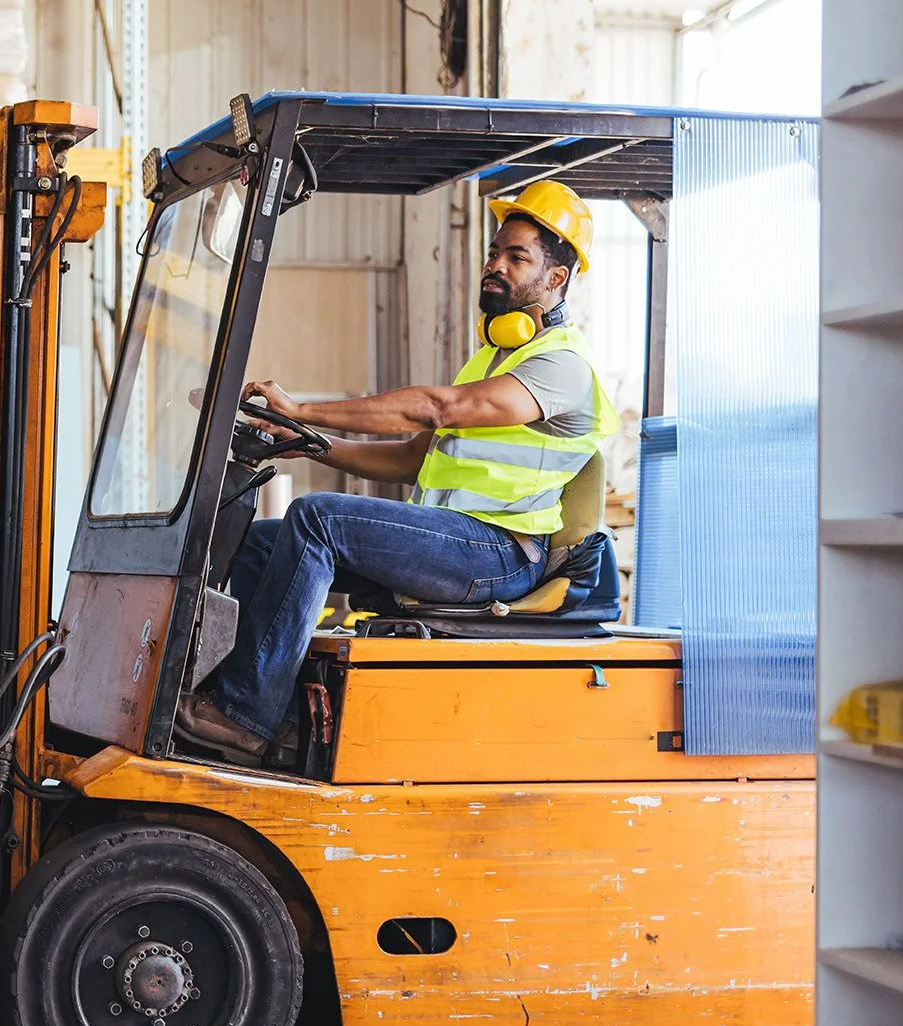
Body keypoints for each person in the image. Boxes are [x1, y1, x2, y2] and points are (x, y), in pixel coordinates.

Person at [177, 179, 619, 763]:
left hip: (501, 554)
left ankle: (242, 714)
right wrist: (308, 444)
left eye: (518, 256)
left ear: (556, 278)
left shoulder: (561, 365)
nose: (496, 265)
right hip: (457, 542)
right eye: (495, 251)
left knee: (317, 519)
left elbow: (440, 409)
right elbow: (414, 456)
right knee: (263, 542)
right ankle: (277, 715)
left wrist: (303, 408)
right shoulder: (492, 359)